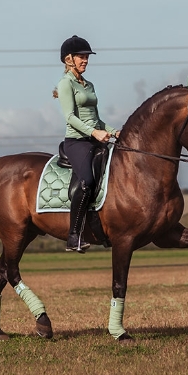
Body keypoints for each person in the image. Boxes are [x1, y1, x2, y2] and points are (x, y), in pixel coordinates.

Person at [54, 35, 120, 253]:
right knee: (87, 181)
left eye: (86, 57)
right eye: (81, 56)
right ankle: (74, 236)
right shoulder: (65, 84)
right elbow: (70, 117)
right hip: (77, 141)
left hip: (95, 137)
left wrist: (113, 131)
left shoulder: (88, 85)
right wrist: (94, 133)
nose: (85, 60)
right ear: (68, 59)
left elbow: (96, 118)